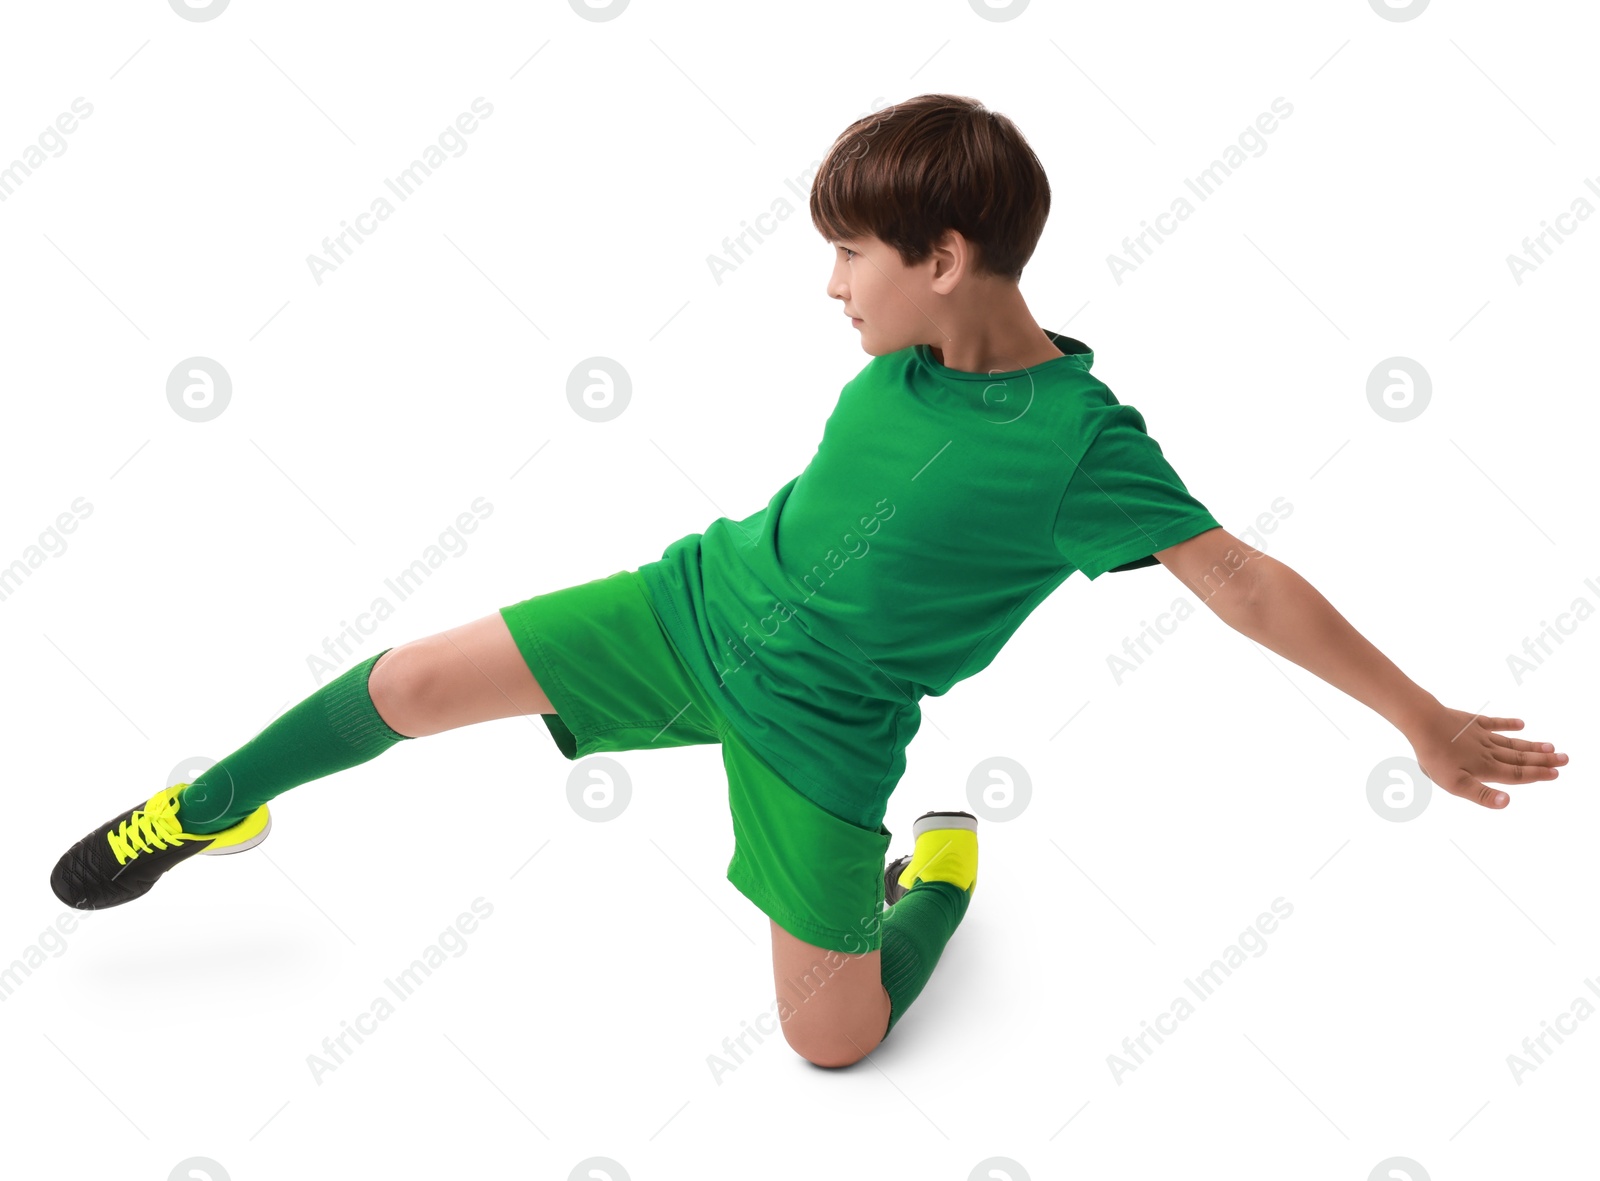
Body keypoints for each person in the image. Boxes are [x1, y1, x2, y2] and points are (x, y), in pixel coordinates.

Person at [49, 94, 1567, 1070]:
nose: (831, 282)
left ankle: (943, 878)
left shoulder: (1080, 444)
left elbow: (1241, 581)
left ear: (948, 252)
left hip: (824, 728)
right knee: (406, 683)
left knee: (830, 1043)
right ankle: (214, 802)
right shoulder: (898, 358)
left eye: (852, 252)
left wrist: (1420, 716)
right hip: (695, 606)